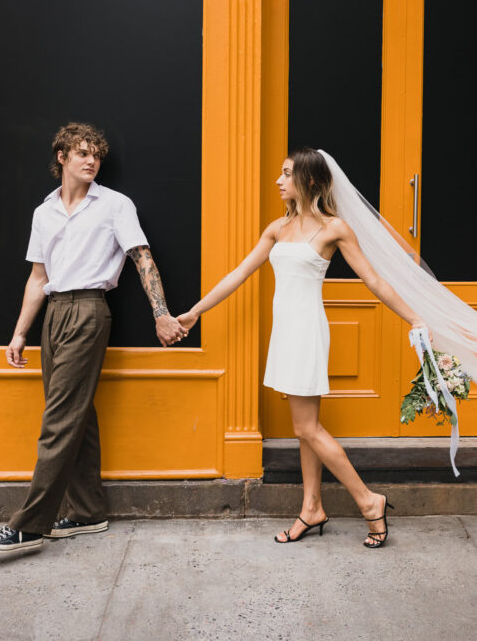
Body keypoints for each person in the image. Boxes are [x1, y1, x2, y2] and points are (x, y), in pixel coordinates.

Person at [177, 148, 424, 548]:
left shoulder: (334, 229)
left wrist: (414, 318)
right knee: (305, 430)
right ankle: (311, 507)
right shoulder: (277, 228)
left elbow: (375, 281)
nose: (279, 180)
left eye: (287, 173)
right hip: (285, 332)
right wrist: (195, 312)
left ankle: (368, 500)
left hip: (307, 330)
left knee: (305, 427)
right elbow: (238, 274)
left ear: (309, 180)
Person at [0, 123, 186, 553]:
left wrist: (161, 314)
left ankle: (29, 524)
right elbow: (38, 278)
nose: (91, 161)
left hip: (89, 310)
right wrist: (19, 334)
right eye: (82, 153)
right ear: (62, 158)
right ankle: (88, 511)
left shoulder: (114, 205)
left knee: (58, 420)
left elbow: (142, 258)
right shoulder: (43, 212)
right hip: (54, 314)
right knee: (77, 415)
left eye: (97, 155)